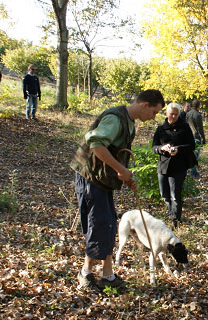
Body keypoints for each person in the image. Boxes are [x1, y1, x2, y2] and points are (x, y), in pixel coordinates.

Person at [70, 89, 165, 290]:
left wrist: (125, 176)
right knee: (99, 224)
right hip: (90, 178)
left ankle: (108, 275)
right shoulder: (115, 118)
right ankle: (85, 273)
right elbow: (95, 143)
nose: (154, 117)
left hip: (102, 180)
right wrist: (120, 169)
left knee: (109, 224)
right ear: (145, 105)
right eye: (155, 112)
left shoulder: (129, 123)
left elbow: (115, 153)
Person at [152, 103, 197, 228]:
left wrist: (178, 149)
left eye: (176, 114)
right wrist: (162, 148)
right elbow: (153, 147)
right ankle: (172, 213)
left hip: (179, 165)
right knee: (164, 194)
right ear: (166, 114)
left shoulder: (185, 127)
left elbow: (192, 146)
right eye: (172, 114)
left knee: (175, 194)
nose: (174, 116)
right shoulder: (161, 128)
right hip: (163, 165)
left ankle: (175, 219)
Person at [186, 99, 206, 178]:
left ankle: (189, 171)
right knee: (195, 156)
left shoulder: (188, 114)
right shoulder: (198, 115)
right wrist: (203, 138)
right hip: (196, 137)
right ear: (199, 105)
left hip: (188, 136)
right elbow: (200, 128)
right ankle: (193, 173)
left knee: (190, 154)